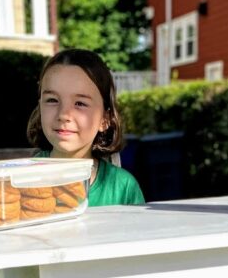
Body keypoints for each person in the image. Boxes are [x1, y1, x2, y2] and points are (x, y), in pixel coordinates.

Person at [26, 49, 145, 207]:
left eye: (80, 103)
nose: (64, 114)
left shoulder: (122, 188)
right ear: (40, 106)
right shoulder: (21, 180)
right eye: (52, 100)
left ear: (105, 119)